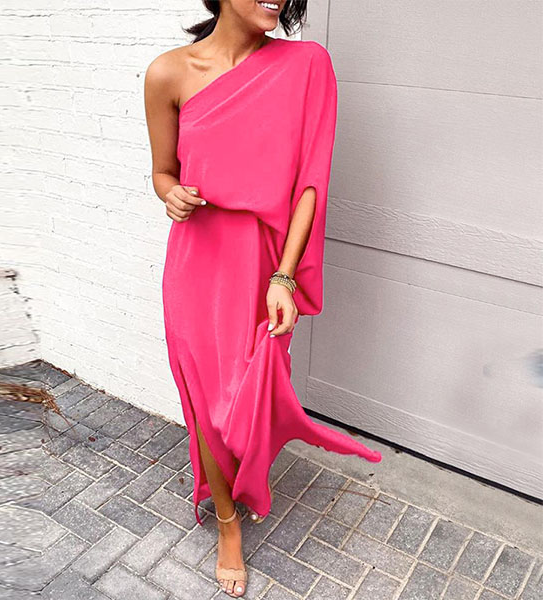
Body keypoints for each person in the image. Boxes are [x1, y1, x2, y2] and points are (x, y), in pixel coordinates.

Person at [144, 1, 382, 596]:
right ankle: (227, 521)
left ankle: (245, 476)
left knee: (248, 392)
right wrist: (170, 195)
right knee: (204, 397)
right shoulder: (168, 72)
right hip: (197, 258)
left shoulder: (307, 65)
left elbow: (310, 181)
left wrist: (285, 277)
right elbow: (162, 172)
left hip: (265, 262)